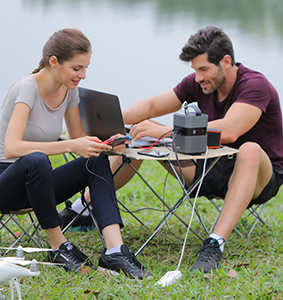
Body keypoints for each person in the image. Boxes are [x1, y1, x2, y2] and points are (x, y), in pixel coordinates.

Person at [66, 25, 283, 273]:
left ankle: (215, 243)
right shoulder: (199, 84)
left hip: (258, 176)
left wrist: (167, 131)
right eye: (195, 70)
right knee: (140, 133)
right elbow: (150, 107)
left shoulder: (255, 85)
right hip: (208, 168)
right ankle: (81, 209)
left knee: (250, 149)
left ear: (226, 61)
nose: (198, 77)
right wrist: (113, 121)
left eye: (203, 69)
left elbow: (231, 130)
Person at [0, 28, 152, 279]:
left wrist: (103, 144)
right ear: (54, 62)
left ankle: (115, 250)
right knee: (36, 159)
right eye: (76, 68)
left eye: (86, 68)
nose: (82, 75)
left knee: (95, 160)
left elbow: (76, 137)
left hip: (37, 185)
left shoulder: (68, 89)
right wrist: (71, 146)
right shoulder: (27, 88)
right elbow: (12, 147)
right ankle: (58, 246)